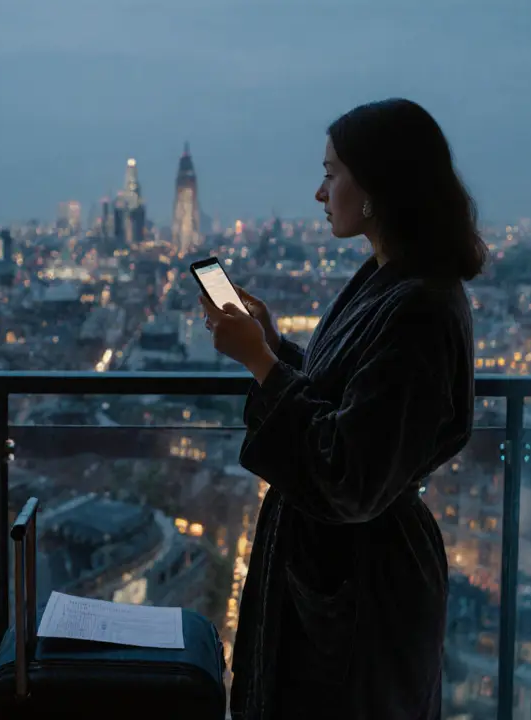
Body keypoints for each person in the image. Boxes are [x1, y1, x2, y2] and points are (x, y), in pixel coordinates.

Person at [200, 98, 486, 720]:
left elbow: (350, 471)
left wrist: (264, 366)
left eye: (331, 173)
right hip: (346, 571)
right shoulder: (394, 280)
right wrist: (274, 346)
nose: (319, 191)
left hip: (361, 585)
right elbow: (350, 397)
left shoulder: (419, 306)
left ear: (377, 185)